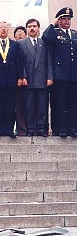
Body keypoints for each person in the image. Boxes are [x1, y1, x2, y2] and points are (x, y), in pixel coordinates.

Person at [42, 7, 77, 138]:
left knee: (73, 103)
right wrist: (53, 24)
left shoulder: (74, 34)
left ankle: (73, 128)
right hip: (60, 75)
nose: (67, 21)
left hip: (74, 76)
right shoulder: (54, 33)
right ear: (59, 20)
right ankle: (60, 129)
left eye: (69, 19)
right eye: (64, 19)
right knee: (60, 103)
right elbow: (45, 37)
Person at [19, 19, 53, 137]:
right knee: (28, 106)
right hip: (28, 80)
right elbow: (20, 62)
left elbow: (49, 61)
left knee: (42, 106)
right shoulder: (21, 43)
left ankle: (41, 129)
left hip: (42, 80)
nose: (32, 28)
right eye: (29, 26)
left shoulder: (44, 43)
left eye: (34, 26)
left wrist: (50, 77)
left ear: (38, 28)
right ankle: (31, 129)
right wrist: (22, 76)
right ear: (27, 29)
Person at [13, 26, 27, 136]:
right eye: (17, 33)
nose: (20, 34)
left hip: (29, 81)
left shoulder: (29, 45)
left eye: (22, 33)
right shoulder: (12, 46)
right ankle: (19, 129)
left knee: (25, 106)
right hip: (14, 82)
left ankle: (25, 128)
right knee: (17, 106)